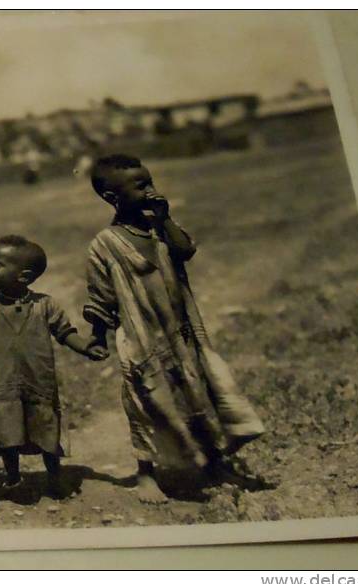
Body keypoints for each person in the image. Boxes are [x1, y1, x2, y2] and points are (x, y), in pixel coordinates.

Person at [83, 154, 267, 504]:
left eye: (151, 181)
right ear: (112, 197)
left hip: (182, 334)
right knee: (147, 402)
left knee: (198, 394)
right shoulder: (105, 245)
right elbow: (100, 297)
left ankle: (212, 462)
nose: (152, 189)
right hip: (142, 338)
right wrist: (97, 337)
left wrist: (165, 221)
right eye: (141, 186)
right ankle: (146, 473)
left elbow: (185, 250)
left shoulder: (158, 228)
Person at [0, 235, 107, 499]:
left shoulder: (44, 305)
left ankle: (54, 477)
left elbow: (64, 332)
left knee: (45, 427)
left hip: (36, 381)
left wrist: (84, 346)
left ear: (23, 276)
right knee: (6, 431)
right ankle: (13, 478)